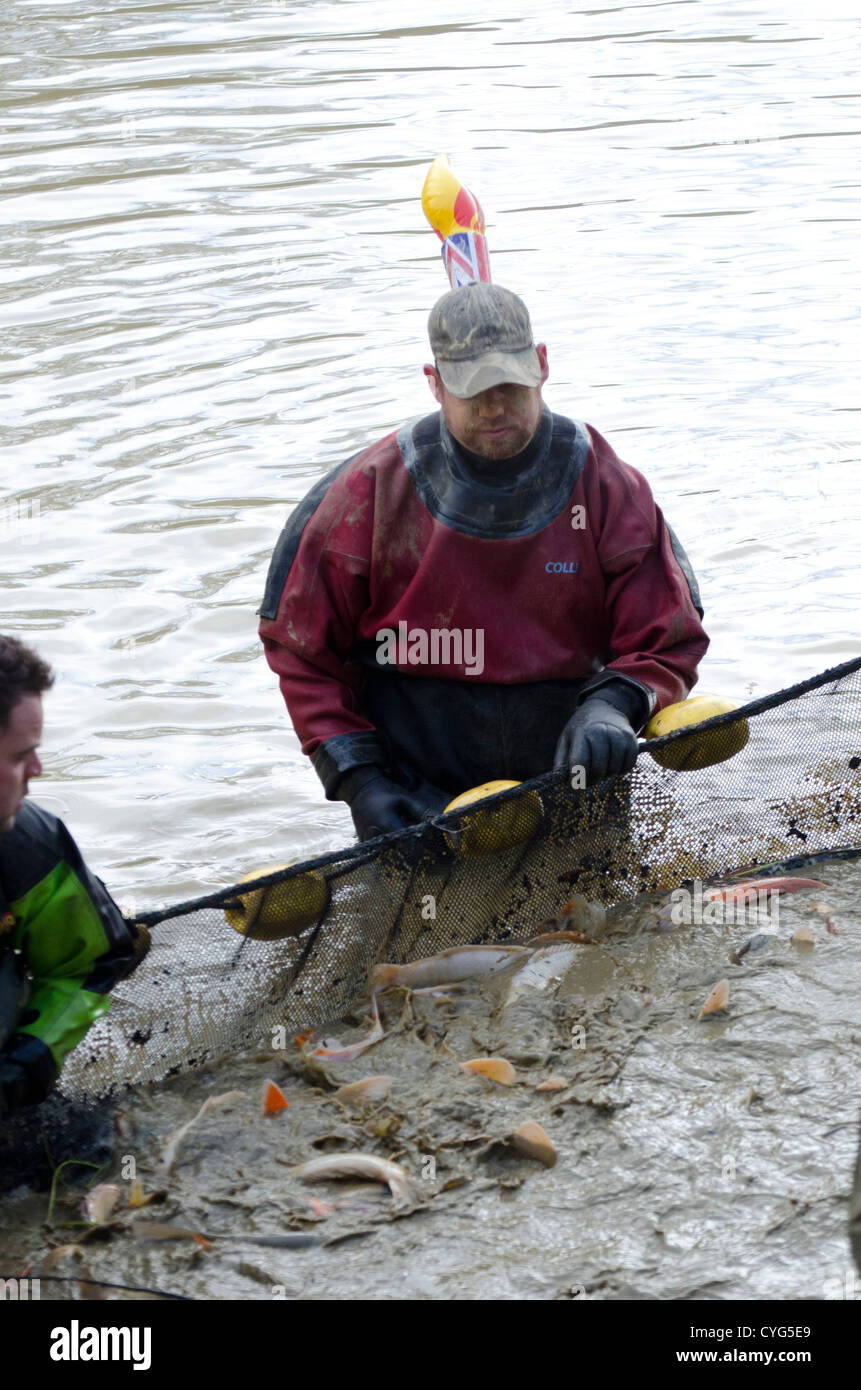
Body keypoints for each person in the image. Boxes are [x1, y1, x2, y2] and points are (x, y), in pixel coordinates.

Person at [258, 282, 709, 841]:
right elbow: (300, 649)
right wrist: (359, 778)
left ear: (541, 365)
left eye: (511, 386)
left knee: (595, 925)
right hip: (416, 787)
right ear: (435, 383)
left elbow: (668, 631)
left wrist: (614, 707)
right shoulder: (367, 494)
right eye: (474, 390)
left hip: (575, 770)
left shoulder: (604, 482)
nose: (497, 407)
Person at [0, 635, 145, 1116]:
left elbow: (87, 964)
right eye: (20, 757)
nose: (38, 771)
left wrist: (25, 1066)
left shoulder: (29, 847)